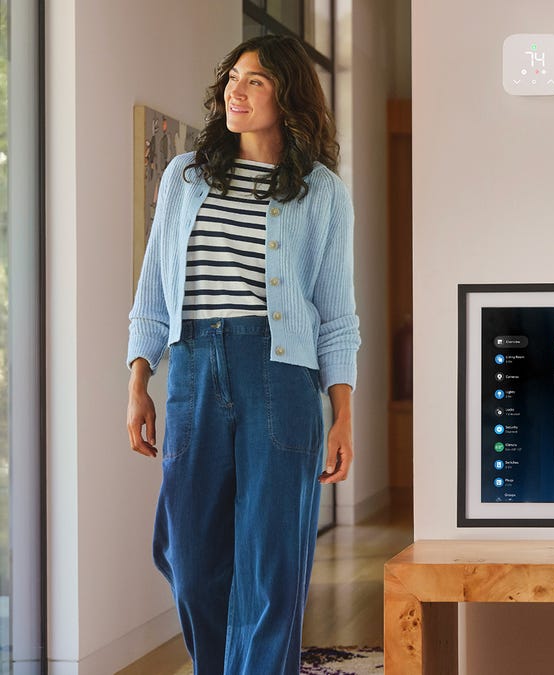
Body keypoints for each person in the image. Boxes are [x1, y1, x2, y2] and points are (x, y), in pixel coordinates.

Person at [125, 34, 359, 675]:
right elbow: (153, 288)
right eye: (233, 77)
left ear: (288, 95)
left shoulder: (322, 192)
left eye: (255, 79)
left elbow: (337, 315)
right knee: (187, 551)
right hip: (194, 367)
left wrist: (342, 415)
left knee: (272, 556)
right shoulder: (186, 176)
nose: (236, 88)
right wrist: (138, 382)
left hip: (280, 376)